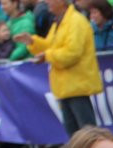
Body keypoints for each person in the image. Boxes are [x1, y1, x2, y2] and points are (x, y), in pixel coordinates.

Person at [14, 0, 101, 137]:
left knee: (87, 133)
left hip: (77, 85)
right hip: (65, 86)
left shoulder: (76, 21)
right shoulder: (59, 22)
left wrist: (47, 56)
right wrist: (32, 41)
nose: (47, 2)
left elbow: (72, 53)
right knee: (73, 133)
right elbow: (50, 45)